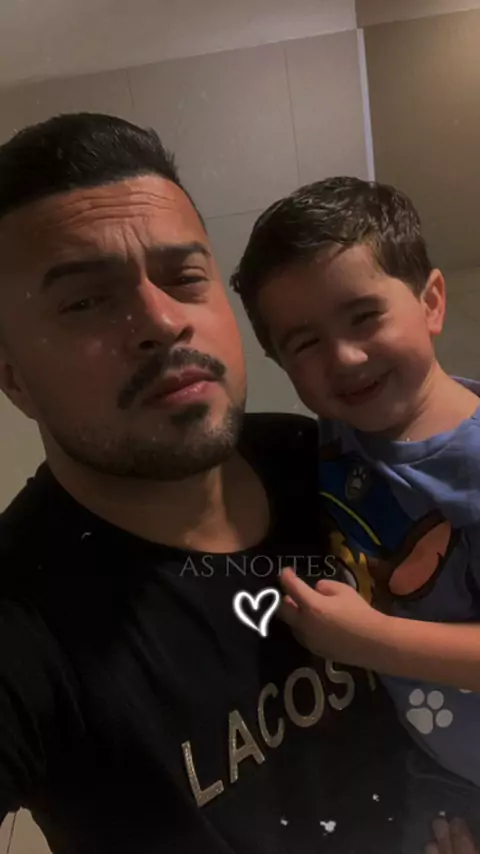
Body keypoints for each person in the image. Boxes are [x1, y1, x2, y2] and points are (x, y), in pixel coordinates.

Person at [0, 115, 435, 854]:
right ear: (14, 379)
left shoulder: (330, 459)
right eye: (85, 301)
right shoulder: (20, 616)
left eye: (183, 278)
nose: (162, 321)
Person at [231, 176, 480, 844]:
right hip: (429, 769)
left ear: (431, 302)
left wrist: (367, 641)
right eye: (304, 342)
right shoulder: (340, 435)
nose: (344, 357)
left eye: (364, 316)